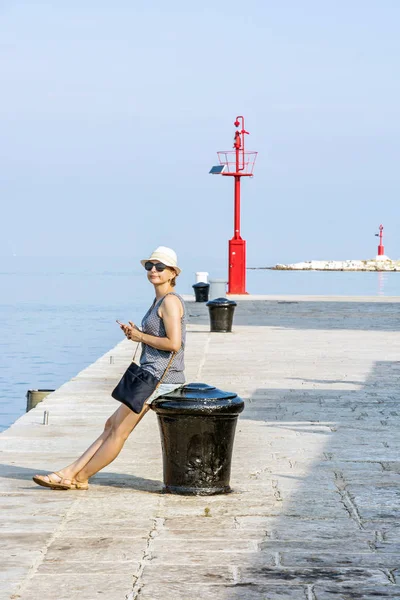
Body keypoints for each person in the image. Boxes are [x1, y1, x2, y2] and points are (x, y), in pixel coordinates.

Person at [33, 246, 186, 490]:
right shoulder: (159, 299)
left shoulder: (170, 302)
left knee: (119, 433)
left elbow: (174, 344)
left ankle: (79, 477)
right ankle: (70, 472)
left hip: (159, 379)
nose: (153, 270)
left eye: (160, 267)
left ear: (172, 273)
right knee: (110, 425)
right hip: (150, 374)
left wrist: (139, 337)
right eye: (150, 266)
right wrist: (138, 334)